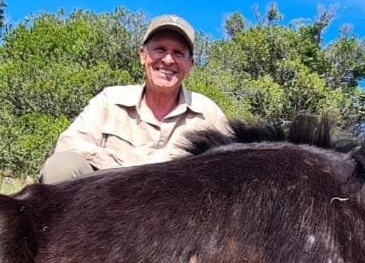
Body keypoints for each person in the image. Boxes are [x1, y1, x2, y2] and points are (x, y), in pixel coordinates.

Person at [39, 14, 230, 183]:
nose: (168, 60)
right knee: (61, 166)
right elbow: (69, 145)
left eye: (178, 53)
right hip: (111, 203)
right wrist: (132, 177)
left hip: (177, 215)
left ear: (190, 65)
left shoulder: (208, 113)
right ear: (142, 56)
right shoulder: (110, 99)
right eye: (160, 49)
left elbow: (227, 171)